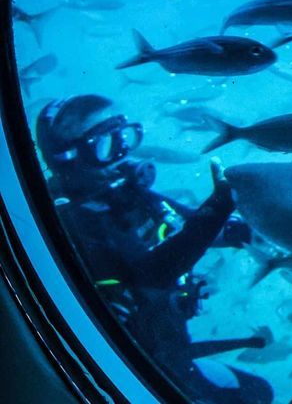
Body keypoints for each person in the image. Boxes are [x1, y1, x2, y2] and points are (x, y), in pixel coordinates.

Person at [35, 94, 273, 403]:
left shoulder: (129, 196)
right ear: (70, 158)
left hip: (172, 348)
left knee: (259, 392)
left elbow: (185, 224)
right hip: (132, 364)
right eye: (106, 145)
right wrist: (219, 206)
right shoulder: (72, 221)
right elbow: (152, 273)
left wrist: (259, 227)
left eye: (125, 137)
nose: (122, 153)